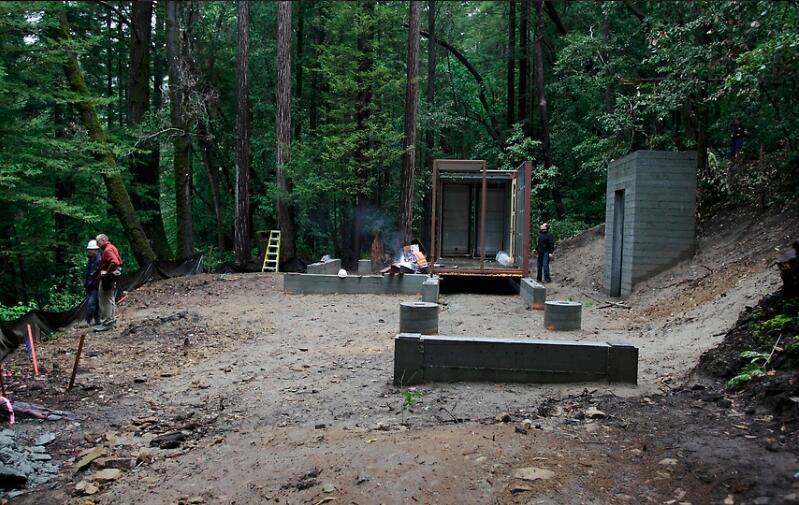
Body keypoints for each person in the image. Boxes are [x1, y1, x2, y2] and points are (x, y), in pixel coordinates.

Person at [94, 233, 123, 331]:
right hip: (112, 277)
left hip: (108, 278)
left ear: (103, 240)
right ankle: (111, 320)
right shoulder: (112, 247)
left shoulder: (108, 250)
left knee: (104, 300)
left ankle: (106, 322)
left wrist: (106, 272)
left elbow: (115, 262)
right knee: (110, 299)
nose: (97, 245)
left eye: (98, 242)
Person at [84, 240, 102, 327]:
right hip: (90, 286)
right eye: (89, 250)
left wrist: (94, 284)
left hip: (95, 286)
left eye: (91, 250)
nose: (89, 251)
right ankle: (97, 320)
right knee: (95, 304)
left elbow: (97, 274)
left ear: (96, 250)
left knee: (91, 303)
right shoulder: (91, 260)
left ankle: (87, 321)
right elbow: (89, 274)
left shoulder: (99, 260)